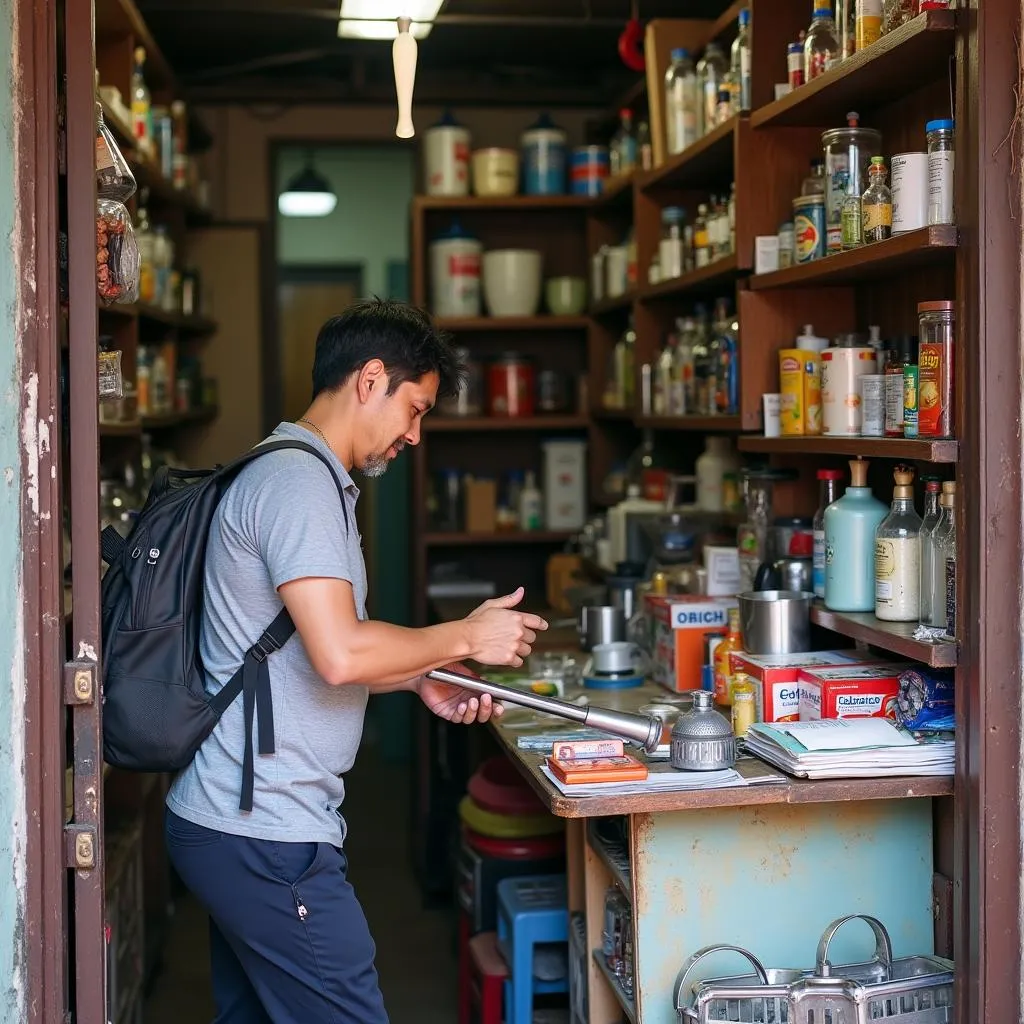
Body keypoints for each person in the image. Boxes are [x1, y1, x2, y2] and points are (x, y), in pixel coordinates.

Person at [164, 298, 548, 1023]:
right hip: (264, 832)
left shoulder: (307, 476)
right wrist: (465, 635)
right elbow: (339, 655)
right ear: (370, 380)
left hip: (239, 821)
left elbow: (320, 645)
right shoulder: (297, 485)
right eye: (416, 408)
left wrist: (417, 674)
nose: (415, 434)